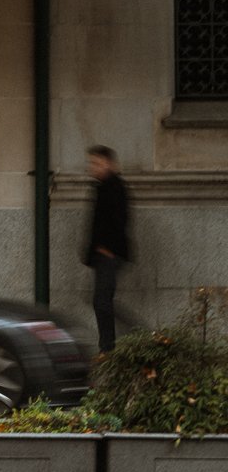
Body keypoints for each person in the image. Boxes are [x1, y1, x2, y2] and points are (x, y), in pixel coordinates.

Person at [85, 145, 130, 353]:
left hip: (108, 254)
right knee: (102, 301)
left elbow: (119, 220)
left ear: (108, 164)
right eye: (92, 163)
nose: (93, 167)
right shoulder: (103, 186)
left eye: (97, 163)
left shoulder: (114, 187)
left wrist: (107, 249)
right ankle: (109, 345)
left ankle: (108, 347)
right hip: (103, 253)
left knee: (102, 301)